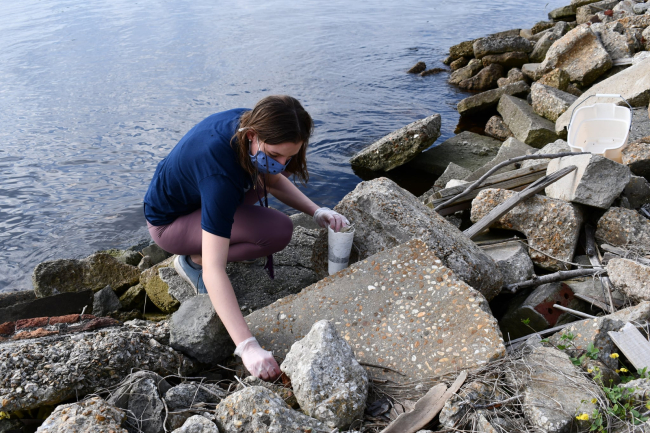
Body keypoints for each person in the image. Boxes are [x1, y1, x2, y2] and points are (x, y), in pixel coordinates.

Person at [143, 95, 349, 381]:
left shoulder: (251, 125)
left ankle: (211, 237)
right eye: (276, 155)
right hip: (170, 225)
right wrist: (247, 346)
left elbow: (272, 179)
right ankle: (192, 260)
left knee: (267, 197)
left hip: (200, 200)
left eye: (289, 156)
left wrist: (317, 211)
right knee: (276, 231)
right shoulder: (219, 172)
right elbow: (216, 270)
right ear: (252, 135)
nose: (282, 162)